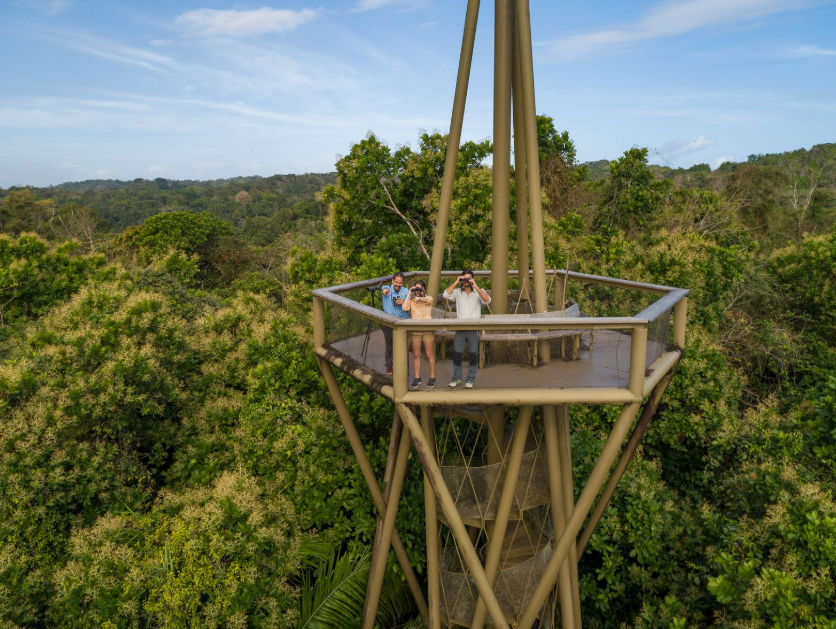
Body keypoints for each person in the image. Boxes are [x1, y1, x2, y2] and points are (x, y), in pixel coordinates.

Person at [443, 270, 490, 389]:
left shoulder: (478, 292)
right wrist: (456, 281)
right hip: (460, 329)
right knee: (457, 355)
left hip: (473, 330)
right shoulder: (457, 292)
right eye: (464, 279)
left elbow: (487, 300)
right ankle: (456, 378)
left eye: (468, 279)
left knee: (473, 355)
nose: (466, 281)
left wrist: (476, 287)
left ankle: (470, 379)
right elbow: (445, 295)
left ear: (472, 279)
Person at [403, 279, 436, 388]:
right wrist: (409, 293)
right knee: (416, 355)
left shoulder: (428, 298)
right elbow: (405, 307)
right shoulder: (412, 300)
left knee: (429, 354)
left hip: (427, 330)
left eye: (420, 288)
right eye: (416, 288)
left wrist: (420, 297)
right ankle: (417, 377)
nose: (418, 290)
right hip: (415, 331)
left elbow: (429, 301)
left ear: (424, 289)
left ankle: (432, 377)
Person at [380, 272, 409, 375]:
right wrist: (386, 291)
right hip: (388, 321)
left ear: (403, 283)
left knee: (403, 345)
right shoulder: (388, 288)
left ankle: (404, 367)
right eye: (396, 282)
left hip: (402, 321)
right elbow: (384, 289)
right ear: (392, 281)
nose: (398, 284)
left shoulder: (406, 291)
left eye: (400, 283)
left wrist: (404, 302)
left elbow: (409, 307)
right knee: (389, 344)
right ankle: (389, 366)